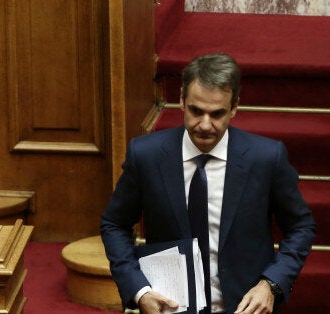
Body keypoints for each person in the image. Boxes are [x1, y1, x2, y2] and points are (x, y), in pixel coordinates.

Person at [100, 53, 316, 314]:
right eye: (196, 111)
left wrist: (271, 285)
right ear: (181, 99)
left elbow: (301, 227)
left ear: (234, 108)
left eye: (216, 114)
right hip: (170, 308)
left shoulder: (266, 158)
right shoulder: (146, 156)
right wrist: (140, 290)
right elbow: (115, 224)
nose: (204, 125)